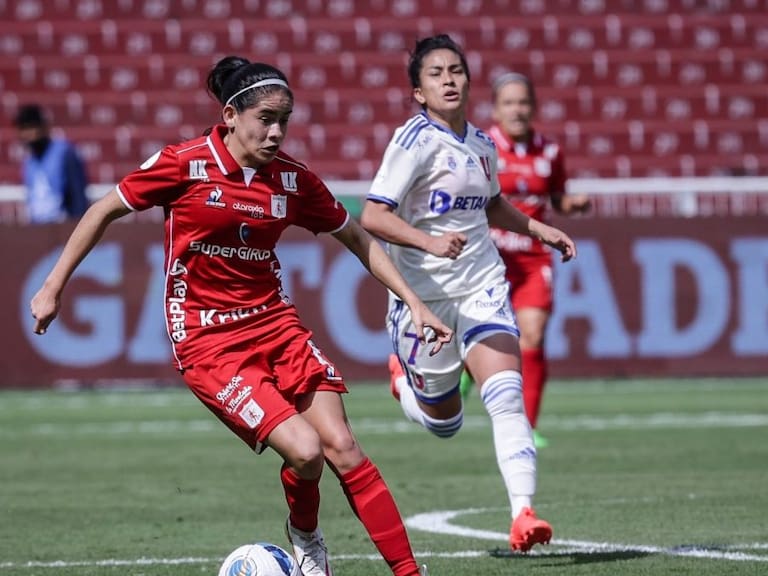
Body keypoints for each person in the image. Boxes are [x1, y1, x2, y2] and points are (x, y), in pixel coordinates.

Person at [29, 56, 449, 576]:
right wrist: (53, 285)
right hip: (208, 341)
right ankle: (306, 535)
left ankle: (408, 573)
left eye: (285, 121)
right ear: (231, 114)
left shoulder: (292, 181)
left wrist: (415, 301)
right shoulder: (184, 163)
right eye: (265, 119)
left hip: (276, 323)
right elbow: (102, 209)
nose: (276, 132)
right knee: (306, 451)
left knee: (342, 446)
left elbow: (358, 237)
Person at [360, 35, 577, 553]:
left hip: (482, 284)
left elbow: (492, 204)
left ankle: (522, 513)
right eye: (436, 74)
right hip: (426, 298)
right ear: (418, 91)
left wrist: (537, 229)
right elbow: (372, 215)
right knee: (445, 423)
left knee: (505, 396)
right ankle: (406, 387)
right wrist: (428, 240)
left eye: (456, 70)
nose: (449, 80)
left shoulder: (481, 144)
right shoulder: (412, 143)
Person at [460, 73, 592, 448]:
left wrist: (574, 204)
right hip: (488, 256)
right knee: (480, 331)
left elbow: (558, 198)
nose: (517, 110)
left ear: (532, 107)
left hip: (533, 259)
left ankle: (526, 426)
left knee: (532, 335)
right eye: (509, 103)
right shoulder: (481, 146)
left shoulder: (549, 152)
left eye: (523, 103)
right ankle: (469, 367)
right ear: (496, 108)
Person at [14, 103, 89, 223]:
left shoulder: (64, 152)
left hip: (63, 227)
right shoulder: (29, 161)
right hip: (39, 229)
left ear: (42, 127)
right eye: (23, 129)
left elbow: (77, 196)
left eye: (31, 127)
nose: (27, 134)